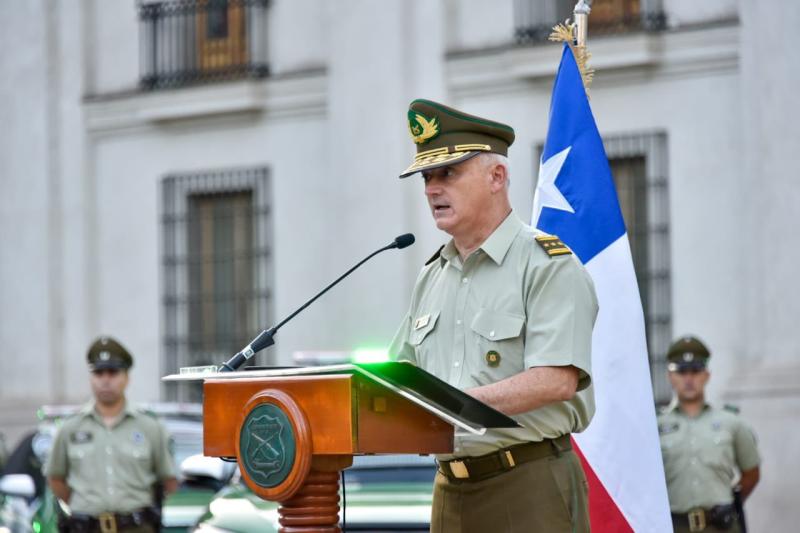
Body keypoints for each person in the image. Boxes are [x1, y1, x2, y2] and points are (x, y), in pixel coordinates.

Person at [389, 99, 598, 533]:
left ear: (496, 176)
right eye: (427, 177)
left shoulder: (547, 264)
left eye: (448, 173)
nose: (431, 189)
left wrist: (449, 405)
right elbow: (397, 378)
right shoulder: (432, 277)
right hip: (449, 489)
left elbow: (556, 379)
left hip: (528, 484)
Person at [45, 337, 177, 533]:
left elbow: (169, 481)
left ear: (126, 377)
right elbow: (55, 478)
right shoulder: (70, 428)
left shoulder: (149, 427)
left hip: (136, 527)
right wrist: (84, 505)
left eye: (113, 372)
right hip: (85, 527)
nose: (105, 380)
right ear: (91, 377)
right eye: (98, 373)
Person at [658, 336, 761, 533]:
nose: (689, 379)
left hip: (720, 525)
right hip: (673, 526)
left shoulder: (731, 422)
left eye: (695, 371)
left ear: (707, 375)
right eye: (681, 371)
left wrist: (732, 503)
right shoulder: (657, 426)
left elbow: (751, 472)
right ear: (670, 377)